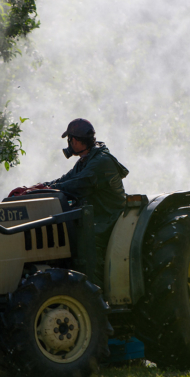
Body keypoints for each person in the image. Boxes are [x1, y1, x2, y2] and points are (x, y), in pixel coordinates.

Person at [45, 118, 129, 285]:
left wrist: (50, 189)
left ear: (74, 140)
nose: (69, 144)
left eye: (70, 140)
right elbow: (65, 180)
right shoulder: (85, 160)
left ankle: (94, 289)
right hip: (96, 217)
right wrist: (40, 187)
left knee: (83, 241)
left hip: (108, 219)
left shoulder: (101, 161)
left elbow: (76, 185)